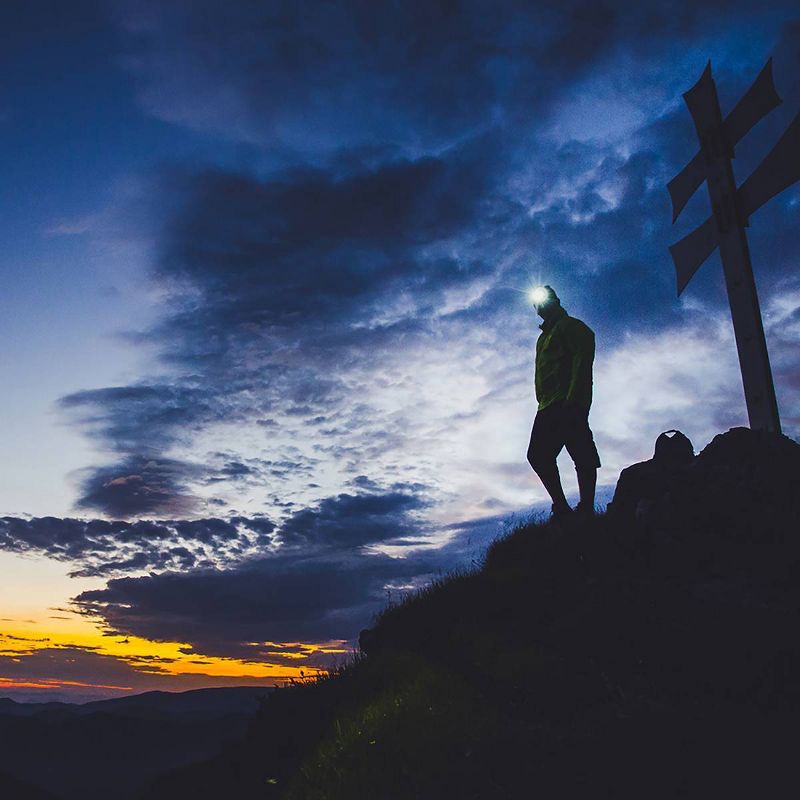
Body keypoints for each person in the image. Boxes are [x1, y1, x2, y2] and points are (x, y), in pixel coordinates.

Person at [526, 285, 601, 519]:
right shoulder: (543, 338)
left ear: (556, 300)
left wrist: (575, 398)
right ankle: (562, 506)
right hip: (547, 405)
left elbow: (583, 353)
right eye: (536, 303)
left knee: (581, 452)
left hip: (568, 401)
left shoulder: (570, 326)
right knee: (538, 455)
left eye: (544, 299)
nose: (540, 306)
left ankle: (586, 507)